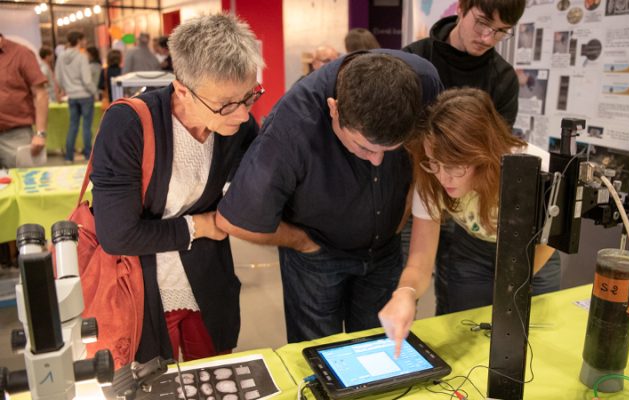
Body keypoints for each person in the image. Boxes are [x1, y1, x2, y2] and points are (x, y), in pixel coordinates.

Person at [216, 49, 443, 343]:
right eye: (364, 148)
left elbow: (427, 152)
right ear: (334, 109)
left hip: (384, 249)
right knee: (321, 356)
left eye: (389, 150)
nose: (376, 161)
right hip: (318, 258)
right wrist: (301, 242)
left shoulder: (424, 84)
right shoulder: (292, 126)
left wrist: (404, 208)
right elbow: (235, 220)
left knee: (380, 350)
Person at [90, 13, 264, 362]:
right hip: (144, 292)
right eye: (227, 104)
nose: (243, 114)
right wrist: (200, 226)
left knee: (218, 377)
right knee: (156, 385)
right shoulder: (129, 125)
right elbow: (118, 235)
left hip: (208, 287)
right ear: (183, 90)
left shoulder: (238, 127)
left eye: (250, 96)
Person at [378, 88, 561, 356]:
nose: (443, 177)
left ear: (483, 155)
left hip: (534, 251)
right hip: (472, 250)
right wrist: (404, 293)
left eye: (454, 166)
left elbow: (551, 237)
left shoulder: (535, 169)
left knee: (530, 341)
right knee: (464, 333)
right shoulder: (431, 176)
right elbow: (420, 261)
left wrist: (511, 283)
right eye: (434, 163)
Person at [403, 0, 525, 126]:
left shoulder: (504, 78)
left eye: (501, 30)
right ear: (461, 8)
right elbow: (392, 134)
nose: (488, 40)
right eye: (482, 23)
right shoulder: (410, 60)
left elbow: (498, 142)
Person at [0, 33, 48, 168]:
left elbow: (41, 94)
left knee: (23, 183)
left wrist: (40, 133)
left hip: (15, 135)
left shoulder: (20, 53)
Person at [55, 31, 97, 162]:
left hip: (71, 96)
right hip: (85, 95)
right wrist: (94, 91)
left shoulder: (61, 56)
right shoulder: (81, 56)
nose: (85, 42)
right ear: (79, 40)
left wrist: (65, 89)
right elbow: (86, 79)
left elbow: (58, 77)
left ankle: (69, 156)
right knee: (86, 126)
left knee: (73, 125)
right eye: (84, 39)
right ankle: (87, 155)